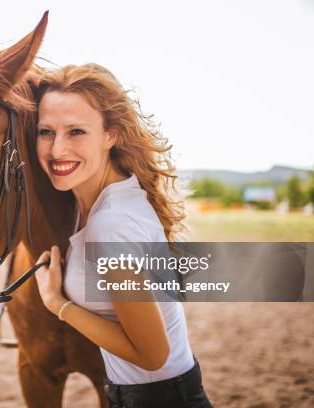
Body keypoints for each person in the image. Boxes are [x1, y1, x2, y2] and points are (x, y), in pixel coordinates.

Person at [33, 63, 212, 408]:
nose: (57, 150)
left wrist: (58, 304)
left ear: (111, 135)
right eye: (46, 132)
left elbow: (152, 355)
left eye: (76, 132)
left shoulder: (110, 224)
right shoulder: (97, 201)